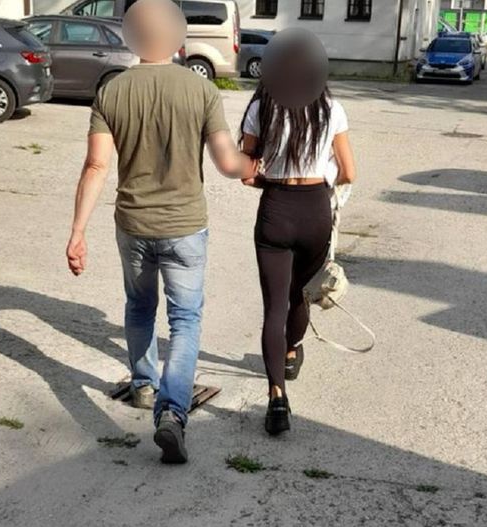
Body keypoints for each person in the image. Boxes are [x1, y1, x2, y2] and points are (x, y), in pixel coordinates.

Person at [66, 0, 258, 464]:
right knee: (185, 319)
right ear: (177, 35)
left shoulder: (112, 91)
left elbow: (96, 166)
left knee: (139, 307)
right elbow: (227, 162)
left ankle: (143, 386)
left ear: (132, 35)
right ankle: (172, 413)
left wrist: (77, 232)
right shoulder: (200, 89)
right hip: (185, 226)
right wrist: (255, 167)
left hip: (133, 224)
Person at [239, 71, 357, 436]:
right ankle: (291, 352)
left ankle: (277, 396)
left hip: (276, 208)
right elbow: (349, 172)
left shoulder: (261, 108)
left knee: (274, 308)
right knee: (301, 296)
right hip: (315, 209)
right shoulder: (331, 109)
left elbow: (246, 174)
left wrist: (271, 180)